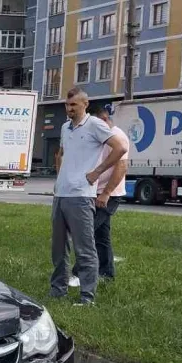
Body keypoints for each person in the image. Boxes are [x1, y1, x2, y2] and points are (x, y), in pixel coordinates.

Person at [51, 87, 128, 305]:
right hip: (62, 195)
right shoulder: (66, 127)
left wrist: (97, 172)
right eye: (67, 105)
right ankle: (58, 289)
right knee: (58, 248)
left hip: (82, 196)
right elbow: (62, 154)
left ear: (85, 104)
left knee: (84, 247)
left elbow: (120, 148)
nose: (69, 109)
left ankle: (87, 296)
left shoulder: (95, 125)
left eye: (73, 105)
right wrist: (60, 179)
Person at [89, 103, 129, 282]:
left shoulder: (118, 137)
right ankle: (107, 273)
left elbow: (121, 167)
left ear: (104, 118)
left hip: (109, 195)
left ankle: (77, 273)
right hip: (95, 191)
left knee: (86, 233)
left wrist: (106, 193)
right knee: (101, 236)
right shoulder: (101, 135)